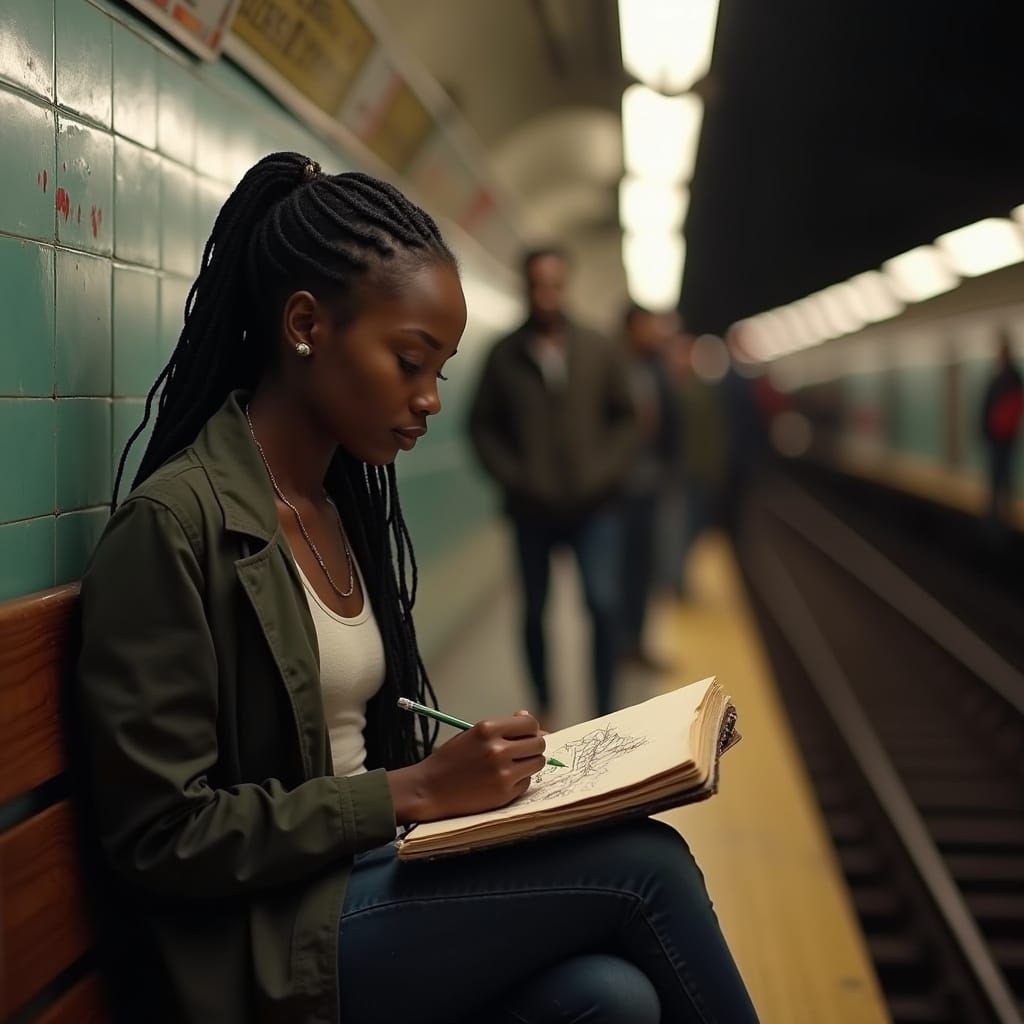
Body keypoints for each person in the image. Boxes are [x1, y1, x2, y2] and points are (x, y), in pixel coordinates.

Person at [75, 153, 758, 1024]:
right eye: (409, 361)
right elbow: (161, 836)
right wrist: (416, 790)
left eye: (439, 368)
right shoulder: (174, 528)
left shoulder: (334, 510)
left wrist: (492, 784)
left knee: (609, 1000)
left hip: (356, 879)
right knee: (645, 866)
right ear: (305, 324)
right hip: (263, 939)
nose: (430, 398)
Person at [468, 249, 637, 720]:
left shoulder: (598, 348)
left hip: (595, 506)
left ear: (567, 286)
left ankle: (606, 708)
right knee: (533, 611)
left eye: (554, 285)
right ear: (525, 287)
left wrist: (605, 472)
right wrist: (516, 477)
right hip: (531, 509)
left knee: (603, 604)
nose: (546, 295)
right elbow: (481, 426)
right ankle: (544, 704)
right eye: (537, 285)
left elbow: (627, 419)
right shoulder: (504, 355)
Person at [618, 304, 677, 669]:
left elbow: (670, 421)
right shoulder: (613, 365)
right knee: (616, 574)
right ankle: (617, 644)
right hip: (615, 489)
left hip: (649, 483)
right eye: (648, 326)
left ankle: (635, 642)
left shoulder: (657, 368)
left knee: (642, 569)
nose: (655, 333)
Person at [980, 333, 1023, 531]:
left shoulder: (1004, 378)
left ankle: (998, 513)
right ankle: (998, 511)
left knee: (1000, 473)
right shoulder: (1011, 377)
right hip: (1001, 435)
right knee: (1000, 473)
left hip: (1002, 436)